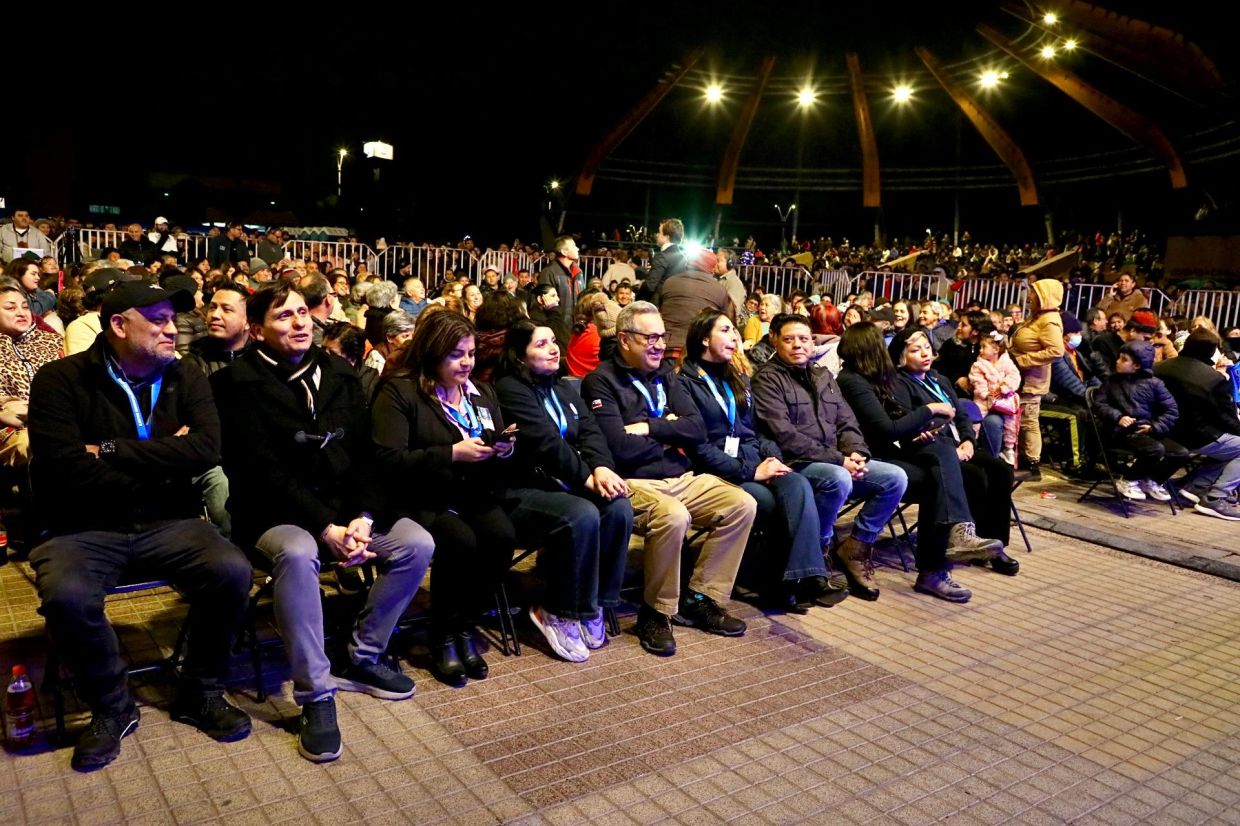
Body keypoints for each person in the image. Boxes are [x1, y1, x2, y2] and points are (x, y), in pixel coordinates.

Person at [27, 281, 252, 770]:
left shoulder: (185, 374)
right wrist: (166, 458)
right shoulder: (60, 380)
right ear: (119, 325)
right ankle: (112, 706)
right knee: (67, 595)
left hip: (169, 518)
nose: (172, 329)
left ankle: (200, 689)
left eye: (172, 318)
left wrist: (108, 449)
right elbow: (63, 469)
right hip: (82, 525)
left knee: (232, 570)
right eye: (157, 320)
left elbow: (207, 449)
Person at [211, 282, 434, 763]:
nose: (299, 322)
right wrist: (325, 527)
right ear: (256, 330)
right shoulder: (235, 383)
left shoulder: (340, 373)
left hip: (344, 511)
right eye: (283, 316)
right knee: (298, 553)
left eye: (302, 312)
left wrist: (362, 517)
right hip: (272, 513)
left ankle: (362, 655)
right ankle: (315, 693)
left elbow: (366, 457)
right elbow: (259, 471)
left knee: (416, 543)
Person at [582, 301, 755, 656]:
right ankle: (655, 613)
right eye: (651, 338)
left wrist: (649, 427)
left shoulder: (666, 375)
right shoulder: (601, 381)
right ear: (625, 339)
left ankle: (700, 598)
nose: (660, 345)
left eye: (662, 337)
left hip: (681, 476)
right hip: (633, 481)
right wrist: (671, 430)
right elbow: (618, 447)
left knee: (741, 503)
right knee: (673, 515)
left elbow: (697, 428)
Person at [370, 311, 516, 686]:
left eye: (470, 353)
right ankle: (442, 634)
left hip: (471, 491)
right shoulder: (401, 392)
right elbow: (388, 461)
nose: (466, 362)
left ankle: (465, 624)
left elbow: (494, 439)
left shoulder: (481, 393)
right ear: (432, 352)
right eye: (455, 354)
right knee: (460, 541)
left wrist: (503, 449)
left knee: (501, 536)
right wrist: (451, 453)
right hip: (421, 496)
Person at [837, 324, 1016, 602]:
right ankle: (936, 566)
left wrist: (966, 438)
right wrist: (928, 413)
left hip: (907, 447)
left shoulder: (927, 378)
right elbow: (888, 428)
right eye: (880, 345)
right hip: (875, 456)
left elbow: (954, 416)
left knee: (990, 470)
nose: (884, 351)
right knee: (941, 475)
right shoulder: (859, 381)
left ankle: (978, 544)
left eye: (927, 348)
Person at [679, 310, 842, 612]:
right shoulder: (685, 383)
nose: (735, 337)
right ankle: (779, 583)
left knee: (796, 483)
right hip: (717, 470)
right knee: (768, 503)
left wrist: (773, 458)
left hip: (755, 460)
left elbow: (758, 431)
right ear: (703, 338)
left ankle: (809, 578)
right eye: (725, 330)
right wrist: (750, 471)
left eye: (734, 331)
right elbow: (699, 448)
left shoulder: (737, 379)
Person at [494, 320, 634, 661]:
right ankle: (556, 609)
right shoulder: (510, 388)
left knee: (617, 508)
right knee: (581, 513)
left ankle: (595, 603)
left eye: (554, 341)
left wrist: (602, 468)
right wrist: (587, 479)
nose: (554, 349)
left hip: (565, 484)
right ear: (520, 355)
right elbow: (545, 442)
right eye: (541, 344)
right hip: (523, 491)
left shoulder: (563, 387)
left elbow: (591, 432)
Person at [752, 314, 909, 601]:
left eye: (804, 339)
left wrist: (857, 453)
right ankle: (818, 553)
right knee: (837, 478)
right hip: (795, 463)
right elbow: (784, 435)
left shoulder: (822, 375)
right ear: (776, 341)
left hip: (835, 459)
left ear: (813, 342)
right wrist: (839, 461)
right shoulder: (767, 379)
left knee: (894, 477)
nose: (798, 345)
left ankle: (856, 548)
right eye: (789, 339)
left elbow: (846, 421)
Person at [1154, 330, 1240, 520]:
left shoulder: (1159, 367)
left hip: (1160, 430)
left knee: (1231, 447)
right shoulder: (1213, 378)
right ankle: (1215, 498)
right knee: (1237, 445)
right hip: (1195, 436)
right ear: (1212, 351)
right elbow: (1226, 418)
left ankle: (1196, 485)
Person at [1091, 340, 1187, 501]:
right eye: (1119, 357)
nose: (1117, 361)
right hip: (1120, 432)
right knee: (1155, 449)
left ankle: (1151, 480)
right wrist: (1118, 417)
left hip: (1147, 431)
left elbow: (1171, 410)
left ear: (1137, 365)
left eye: (1123, 359)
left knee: (1180, 453)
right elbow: (1099, 404)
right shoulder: (1111, 382)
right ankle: (1128, 479)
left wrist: (1154, 427)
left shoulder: (1155, 384)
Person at [0, 282, 63, 467]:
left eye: (25, 307)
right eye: (10, 308)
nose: (21, 313)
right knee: (30, 443)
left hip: (58, 418)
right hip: (11, 428)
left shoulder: (52, 341)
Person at [1009, 278, 1065, 480]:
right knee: (1022, 419)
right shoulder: (1038, 317)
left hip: (1032, 380)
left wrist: (1023, 360)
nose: (1030, 296)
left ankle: (1032, 464)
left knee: (1028, 421)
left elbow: (1056, 351)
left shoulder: (1049, 321)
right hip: (1022, 377)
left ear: (1044, 296)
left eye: (1034, 292)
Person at [658, 249, 730, 357]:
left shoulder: (669, 282)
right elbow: (724, 321)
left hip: (666, 348)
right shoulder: (719, 290)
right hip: (696, 351)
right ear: (712, 267)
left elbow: (660, 310)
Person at [969, 332, 1022, 464]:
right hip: (984, 400)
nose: (980, 350)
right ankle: (971, 443)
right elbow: (977, 382)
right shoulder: (978, 365)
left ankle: (1009, 448)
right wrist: (987, 393)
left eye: (983, 347)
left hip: (1004, 399)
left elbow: (1015, 377)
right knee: (975, 420)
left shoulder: (1007, 362)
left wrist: (1004, 387)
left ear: (996, 350)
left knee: (1011, 421)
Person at [184, 285, 250, 376]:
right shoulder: (191, 363)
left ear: (247, 322)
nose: (215, 315)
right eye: (212, 307)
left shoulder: (261, 359)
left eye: (226, 309)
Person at [537, 235, 583, 328]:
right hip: (558, 327)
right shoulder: (549, 272)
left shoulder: (579, 272)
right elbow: (546, 303)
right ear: (564, 252)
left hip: (577, 327)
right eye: (573, 246)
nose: (577, 249)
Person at [639, 218, 688, 300]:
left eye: (659, 232)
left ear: (667, 237)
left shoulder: (662, 256)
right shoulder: (684, 258)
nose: (657, 235)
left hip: (660, 303)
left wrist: (640, 287)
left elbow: (650, 286)